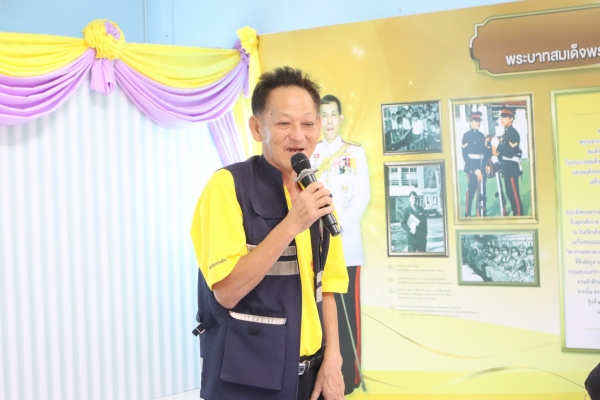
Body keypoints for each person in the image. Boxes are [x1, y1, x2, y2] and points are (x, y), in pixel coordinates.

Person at [190, 67, 349, 400]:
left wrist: (333, 358)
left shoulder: (315, 194)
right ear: (256, 128)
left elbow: (329, 287)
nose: (298, 135)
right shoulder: (228, 186)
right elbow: (226, 291)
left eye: (308, 124)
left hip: (311, 378)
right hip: (248, 380)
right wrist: (291, 224)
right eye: (283, 123)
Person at [310, 94, 370, 394]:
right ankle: (323, 376)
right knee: (321, 314)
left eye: (334, 115)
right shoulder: (312, 154)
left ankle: (350, 376)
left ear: (341, 118)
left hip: (346, 247)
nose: (329, 121)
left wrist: (335, 227)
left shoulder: (355, 153)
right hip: (318, 247)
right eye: (324, 115)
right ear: (319, 120)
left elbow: (361, 197)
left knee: (348, 316)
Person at [461, 111, 492, 217]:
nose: (478, 123)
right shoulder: (466, 136)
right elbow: (465, 155)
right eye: (475, 121)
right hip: (472, 166)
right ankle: (468, 213)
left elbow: (485, 153)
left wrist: (487, 164)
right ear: (471, 122)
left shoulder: (481, 135)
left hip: (481, 165)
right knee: (472, 189)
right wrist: (475, 169)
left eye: (479, 121)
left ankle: (482, 213)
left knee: (482, 189)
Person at [497, 108, 523, 216]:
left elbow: (510, 152)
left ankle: (519, 215)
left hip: (511, 167)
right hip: (506, 167)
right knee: (509, 193)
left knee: (514, 194)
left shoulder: (513, 133)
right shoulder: (506, 133)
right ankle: (515, 214)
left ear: (511, 119)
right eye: (501, 117)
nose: (502, 119)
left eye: (505, 117)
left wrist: (499, 148)